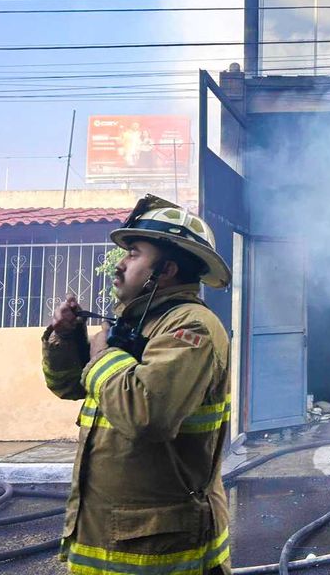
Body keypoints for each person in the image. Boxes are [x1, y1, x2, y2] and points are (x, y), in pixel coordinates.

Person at [41, 194, 233, 575]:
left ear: (166, 270)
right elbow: (70, 387)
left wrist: (102, 356)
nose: (121, 263)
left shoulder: (190, 327)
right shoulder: (137, 323)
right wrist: (65, 338)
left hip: (161, 552)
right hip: (110, 538)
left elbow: (147, 415)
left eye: (134, 253)